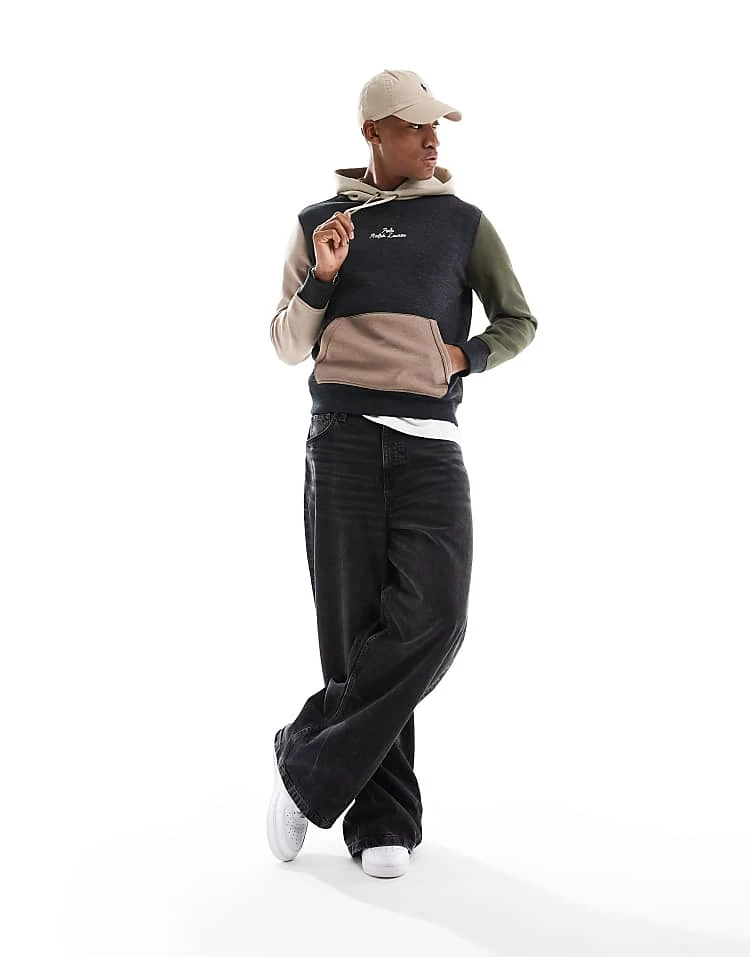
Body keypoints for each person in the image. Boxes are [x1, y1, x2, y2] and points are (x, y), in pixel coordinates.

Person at [266, 69, 538, 879]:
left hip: (428, 448)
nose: (431, 137)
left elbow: (518, 317)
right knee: (354, 637)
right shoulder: (319, 223)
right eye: (415, 125)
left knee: (436, 617)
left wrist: (467, 355)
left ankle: (304, 760)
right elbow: (286, 343)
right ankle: (382, 818)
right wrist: (322, 275)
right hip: (341, 442)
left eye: (435, 126)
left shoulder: (463, 223)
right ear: (372, 133)